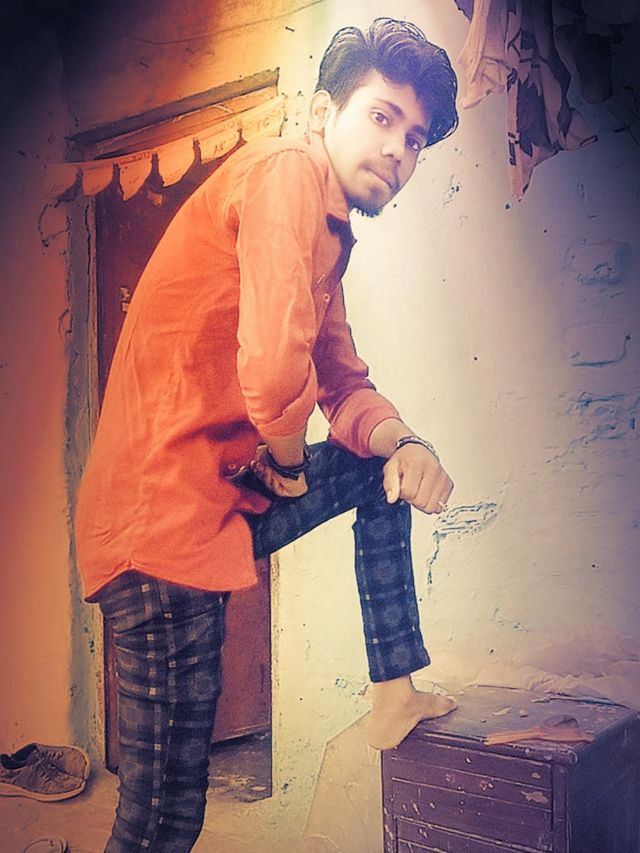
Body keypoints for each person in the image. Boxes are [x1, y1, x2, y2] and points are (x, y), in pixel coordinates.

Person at [74, 17, 459, 852]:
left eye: (416, 138)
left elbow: (344, 385)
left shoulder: (328, 237)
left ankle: (393, 691)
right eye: (383, 117)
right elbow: (276, 372)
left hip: (216, 505)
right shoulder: (286, 171)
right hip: (159, 526)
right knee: (161, 819)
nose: (399, 149)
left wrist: (407, 443)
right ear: (323, 113)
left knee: (381, 467)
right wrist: (287, 467)